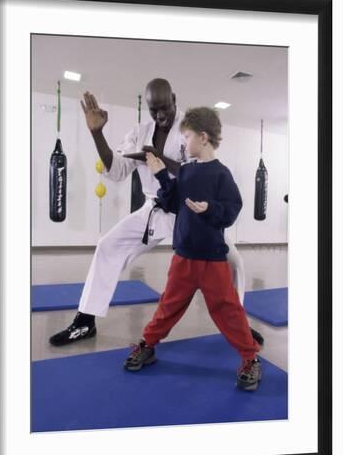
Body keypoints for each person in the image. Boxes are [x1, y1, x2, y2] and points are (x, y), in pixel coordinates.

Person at [49, 79, 263, 349]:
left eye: (164, 108)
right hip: (153, 207)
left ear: (174, 99)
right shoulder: (140, 131)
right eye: (154, 110)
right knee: (108, 246)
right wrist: (96, 134)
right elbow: (116, 170)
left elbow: (199, 172)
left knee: (234, 263)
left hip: (189, 212)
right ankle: (84, 321)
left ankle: (238, 325)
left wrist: (158, 159)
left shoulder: (191, 129)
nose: (160, 115)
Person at [124, 107, 262, 391]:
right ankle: (147, 345)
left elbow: (232, 209)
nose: (183, 143)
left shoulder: (222, 174)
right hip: (183, 256)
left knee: (228, 311)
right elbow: (172, 202)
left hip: (212, 259)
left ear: (203, 137)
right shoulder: (185, 171)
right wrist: (162, 176)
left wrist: (210, 208)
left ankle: (250, 359)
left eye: (186, 137)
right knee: (168, 306)